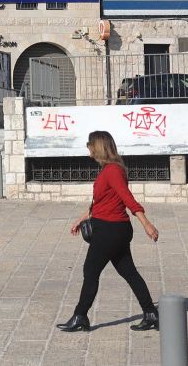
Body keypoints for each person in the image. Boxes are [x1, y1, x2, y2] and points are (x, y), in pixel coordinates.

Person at [57, 130, 160, 333]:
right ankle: (151, 314)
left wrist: (146, 223)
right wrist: (81, 219)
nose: (88, 147)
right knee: (129, 272)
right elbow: (101, 202)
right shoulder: (108, 169)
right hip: (115, 229)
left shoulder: (112, 170)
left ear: (98, 147)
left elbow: (127, 198)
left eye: (90, 144)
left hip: (109, 231)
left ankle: (80, 316)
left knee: (90, 271)